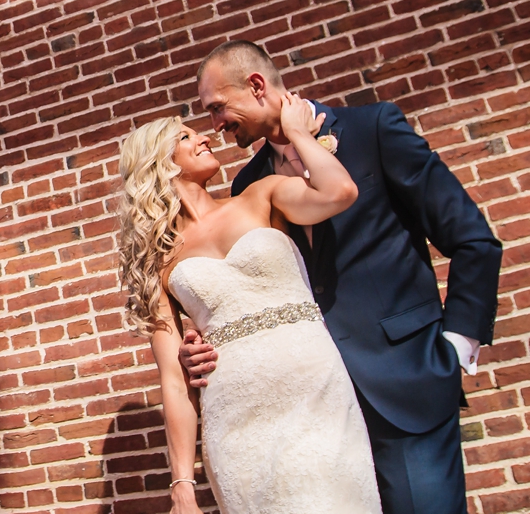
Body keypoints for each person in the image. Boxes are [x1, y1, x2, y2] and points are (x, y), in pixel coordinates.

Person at [181, 41, 502, 514]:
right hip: (309, 409)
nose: (215, 125)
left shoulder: (373, 129)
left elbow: (472, 240)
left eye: (217, 108)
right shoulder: (247, 186)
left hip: (404, 383)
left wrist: (453, 350)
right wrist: (202, 342)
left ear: (255, 86)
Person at [119, 94, 379, 514]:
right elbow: (173, 379)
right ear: (159, 164)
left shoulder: (261, 196)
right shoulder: (157, 262)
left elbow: (339, 191)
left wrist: (296, 133)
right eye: (185, 137)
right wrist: (182, 482)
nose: (203, 137)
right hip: (236, 416)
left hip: (315, 389)